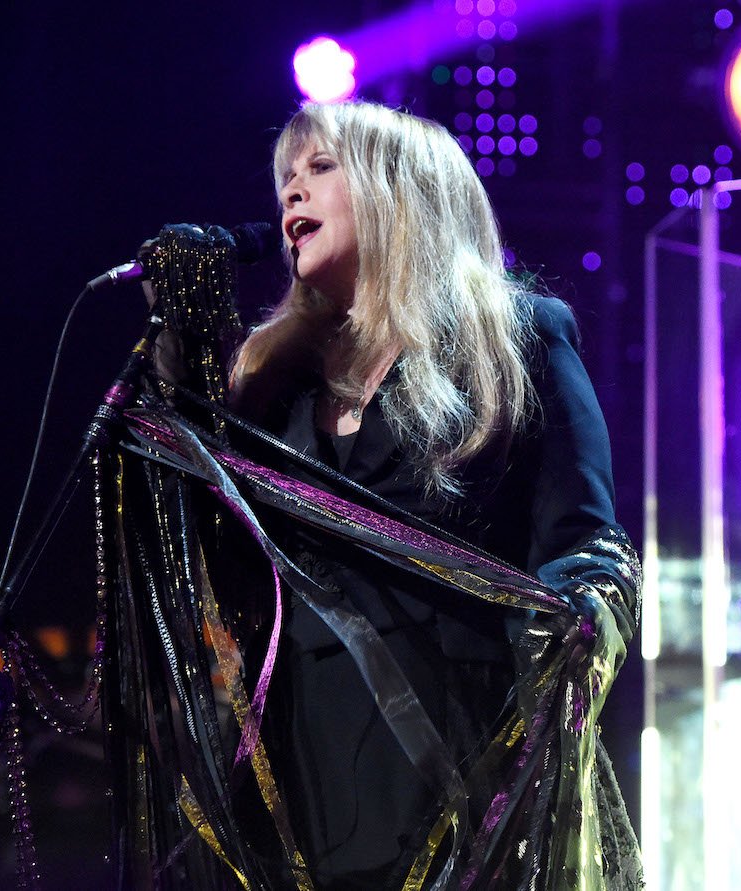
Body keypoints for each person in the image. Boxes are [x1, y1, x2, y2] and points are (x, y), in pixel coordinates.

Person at [127, 100, 643, 890]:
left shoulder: (518, 339)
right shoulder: (276, 395)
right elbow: (217, 566)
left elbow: (585, 539)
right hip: (309, 777)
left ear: (401, 191)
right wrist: (181, 353)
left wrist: (575, 620)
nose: (291, 194)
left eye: (320, 169)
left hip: (467, 754)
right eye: (285, 180)